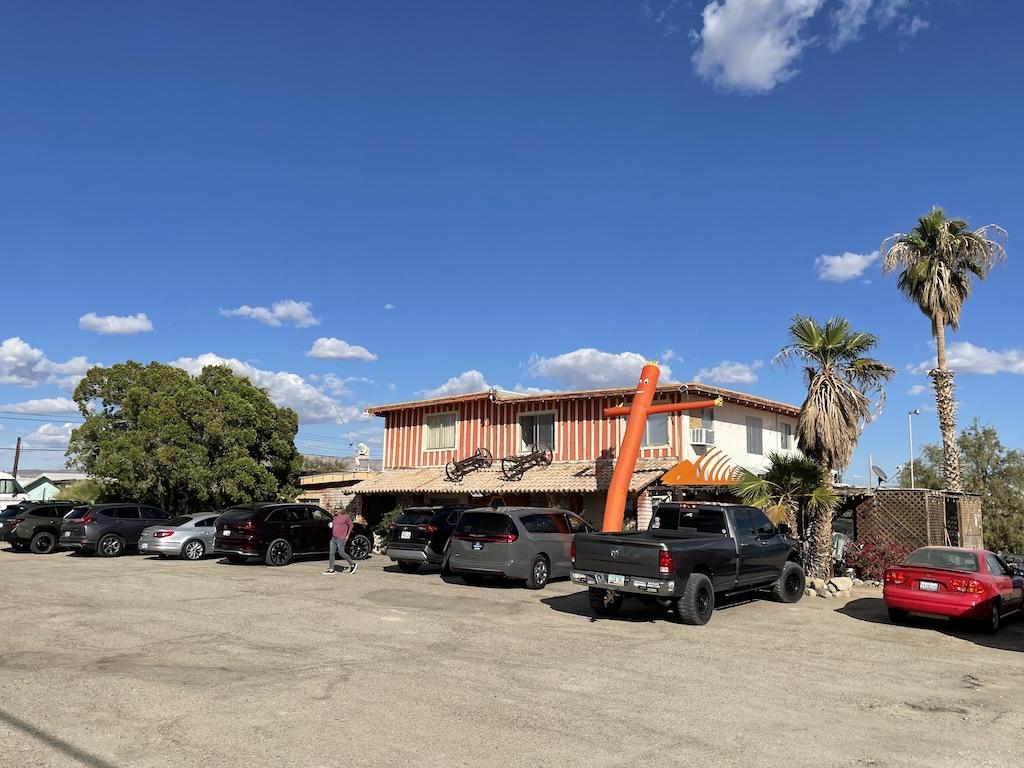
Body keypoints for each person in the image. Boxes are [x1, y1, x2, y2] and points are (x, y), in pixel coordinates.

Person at [324, 508, 357, 575]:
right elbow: (335, 526)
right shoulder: (335, 517)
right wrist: (331, 525)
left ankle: (352, 564)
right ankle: (331, 570)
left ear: (341, 509)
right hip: (333, 538)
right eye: (335, 508)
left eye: (337, 508)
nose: (335, 509)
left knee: (341, 553)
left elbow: (351, 525)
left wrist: (347, 535)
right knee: (331, 553)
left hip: (341, 538)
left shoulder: (346, 517)